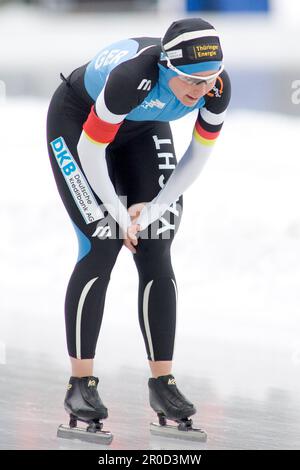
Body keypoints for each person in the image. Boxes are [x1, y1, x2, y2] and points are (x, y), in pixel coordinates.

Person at [47, 17, 231, 442]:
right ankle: (80, 385)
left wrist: (152, 211)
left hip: (143, 130)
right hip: (79, 123)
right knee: (102, 238)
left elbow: (198, 156)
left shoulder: (217, 86)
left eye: (210, 81)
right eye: (191, 82)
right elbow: (92, 149)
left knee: (156, 242)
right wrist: (115, 210)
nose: (201, 91)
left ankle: (163, 385)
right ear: (168, 66)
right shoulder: (132, 77)